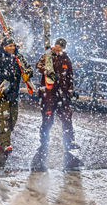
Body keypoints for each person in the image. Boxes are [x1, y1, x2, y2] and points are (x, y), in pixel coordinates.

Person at [31, 37, 81, 171]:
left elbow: (70, 75)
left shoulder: (66, 59)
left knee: (66, 118)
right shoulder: (48, 56)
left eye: (62, 47)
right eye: (58, 46)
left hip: (62, 94)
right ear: (55, 45)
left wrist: (71, 90)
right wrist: (49, 72)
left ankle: (69, 141)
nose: (59, 48)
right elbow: (38, 66)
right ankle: (44, 141)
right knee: (47, 119)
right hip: (49, 94)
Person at [0, 36, 33, 155]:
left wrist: (27, 74)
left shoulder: (18, 58)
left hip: (14, 94)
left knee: (13, 120)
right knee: (4, 120)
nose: (12, 48)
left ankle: (1, 141)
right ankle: (6, 144)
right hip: (2, 96)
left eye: (13, 45)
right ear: (4, 47)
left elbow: (28, 68)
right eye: (10, 46)